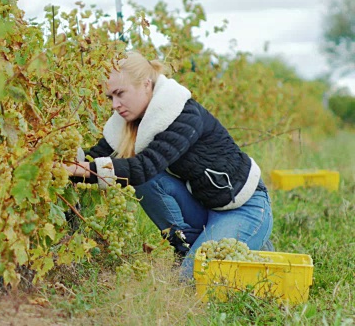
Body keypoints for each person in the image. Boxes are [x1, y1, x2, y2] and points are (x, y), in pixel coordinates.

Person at [64, 50, 273, 280]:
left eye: (120, 94)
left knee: (188, 281)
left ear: (145, 84)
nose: (115, 104)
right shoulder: (129, 122)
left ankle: (252, 239)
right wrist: (61, 165)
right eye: (110, 97)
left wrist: (76, 169)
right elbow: (95, 160)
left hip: (244, 206)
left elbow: (144, 166)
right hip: (204, 205)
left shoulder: (183, 114)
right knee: (145, 182)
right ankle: (188, 247)